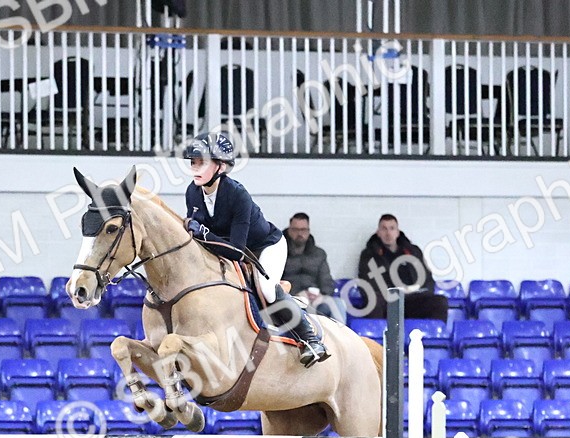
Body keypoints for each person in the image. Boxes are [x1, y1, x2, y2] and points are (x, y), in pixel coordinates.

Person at [183, 131, 329, 366]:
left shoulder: (238, 195)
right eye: (193, 162)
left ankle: (310, 339)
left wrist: (204, 233)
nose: (196, 168)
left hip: (264, 247)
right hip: (227, 249)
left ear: (220, 167)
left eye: (203, 162)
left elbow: (238, 251)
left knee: (267, 289)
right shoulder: (192, 192)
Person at [355, 213, 444, 320]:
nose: (388, 233)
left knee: (439, 302)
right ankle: (376, 335)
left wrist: (423, 291)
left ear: (397, 232)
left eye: (392, 228)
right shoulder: (369, 255)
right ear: (378, 233)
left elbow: (427, 278)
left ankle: (432, 335)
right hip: (386, 301)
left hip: (411, 299)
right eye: (384, 229)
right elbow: (366, 281)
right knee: (374, 301)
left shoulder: (413, 251)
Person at [282, 213, 342, 320]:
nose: (300, 233)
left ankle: (342, 336)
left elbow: (327, 281)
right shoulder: (279, 252)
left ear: (308, 231)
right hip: (290, 299)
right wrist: (296, 294)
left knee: (338, 303)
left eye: (303, 230)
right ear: (289, 230)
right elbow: (275, 282)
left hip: (316, 300)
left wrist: (320, 294)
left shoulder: (319, 254)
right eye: (296, 230)